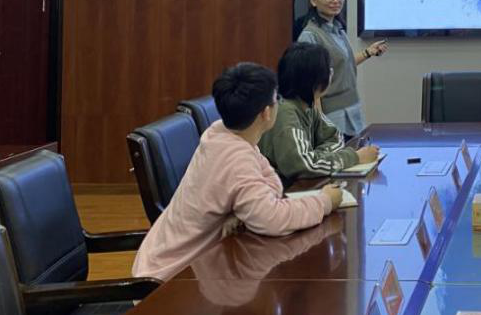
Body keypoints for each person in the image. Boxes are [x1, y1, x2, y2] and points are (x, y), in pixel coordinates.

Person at [132, 62, 343, 281]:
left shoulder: (221, 133)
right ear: (266, 113)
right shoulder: (236, 157)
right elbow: (272, 219)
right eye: (276, 99)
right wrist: (325, 201)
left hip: (180, 264)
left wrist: (244, 209)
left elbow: (270, 187)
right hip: (169, 278)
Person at [260, 42, 381, 184]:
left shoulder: (306, 105)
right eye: (328, 70)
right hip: (281, 190)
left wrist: (317, 157)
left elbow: (335, 137)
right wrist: (355, 157)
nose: (331, 73)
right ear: (314, 80)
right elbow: (303, 166)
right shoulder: (286, 113)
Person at [297, 0, 389, 136]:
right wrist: (319, 123)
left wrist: (368, 52)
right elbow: (310, 85)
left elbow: (342, 64)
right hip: (333, 114)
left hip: (353, 108)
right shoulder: (310, 36)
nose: (335, 1)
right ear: (313, 0)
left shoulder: (338, 29)